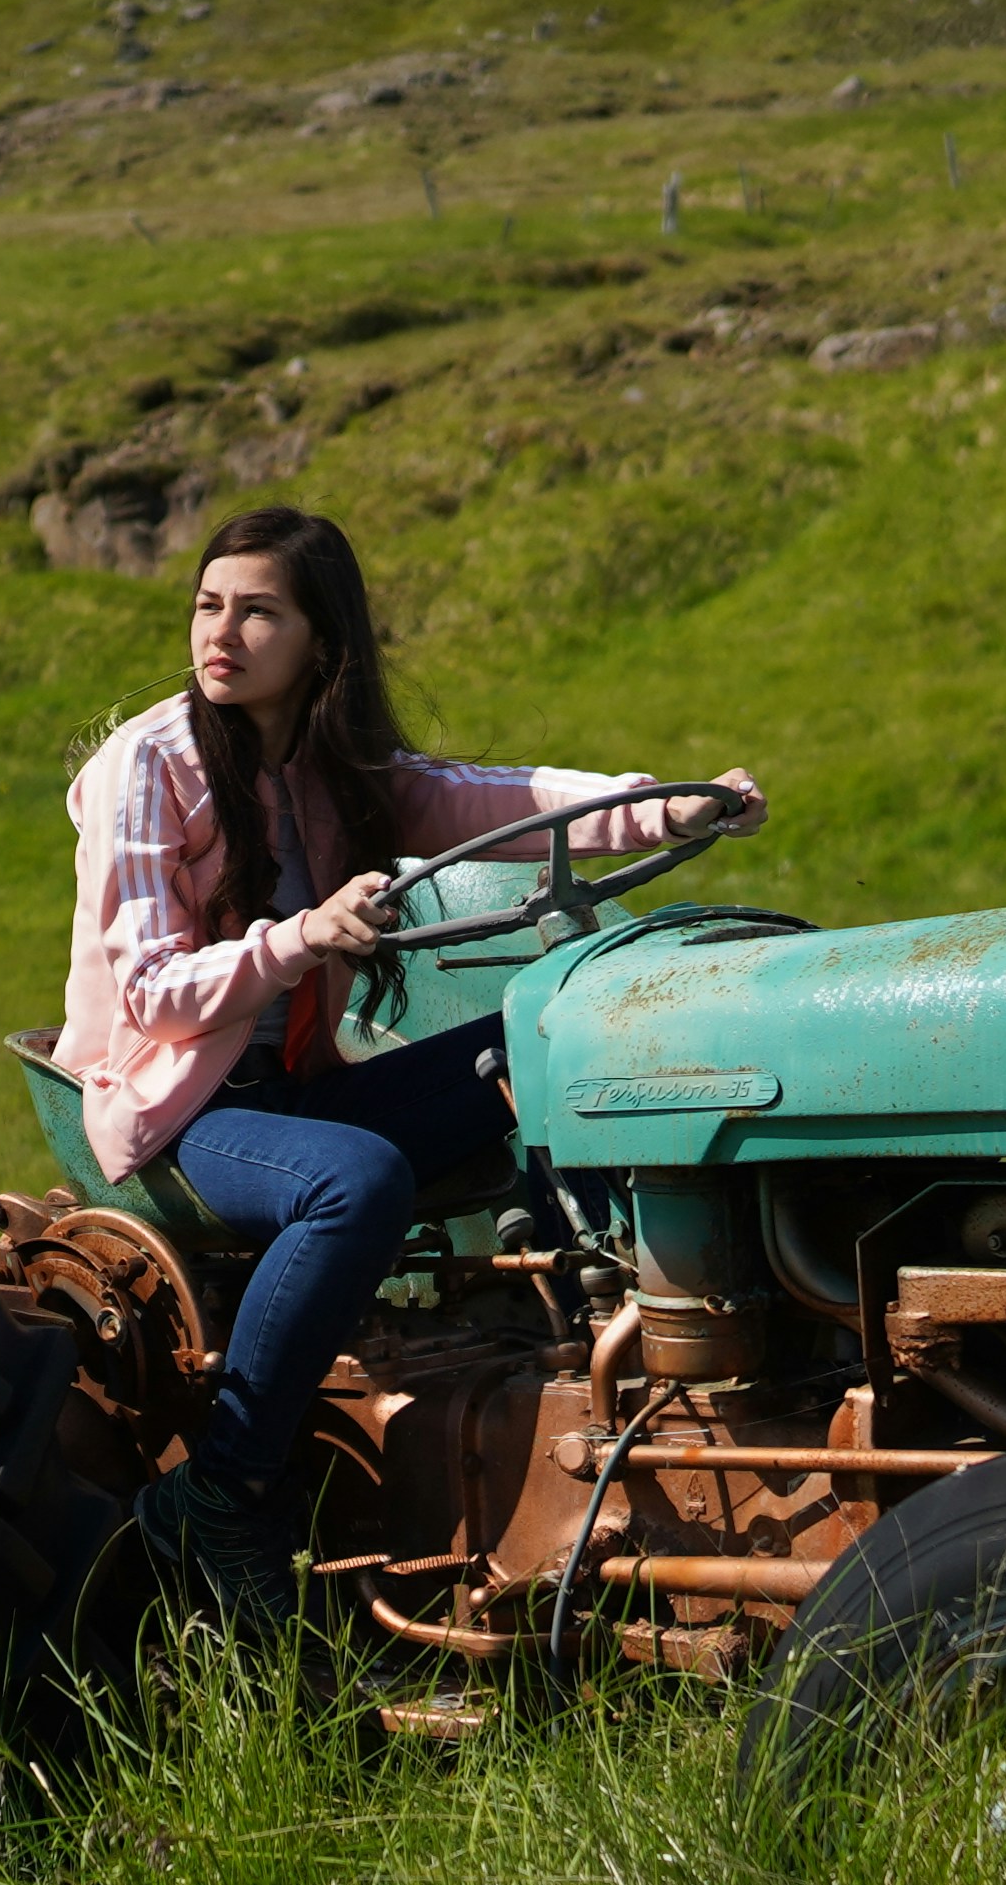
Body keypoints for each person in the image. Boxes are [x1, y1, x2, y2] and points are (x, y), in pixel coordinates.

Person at [56, 504, 757, 1608]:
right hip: (177, 1112)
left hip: (294, 1090)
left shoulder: (336, 765)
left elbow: (503, 797)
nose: (220, 633)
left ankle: (593, 1341)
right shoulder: (147, 768)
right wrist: (298, 940)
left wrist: (661, 804)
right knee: (356, 1181)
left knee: (542, 1041)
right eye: (208, 605)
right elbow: (147, 991)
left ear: (321, 644)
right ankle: (222, 1491)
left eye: (257, 612)